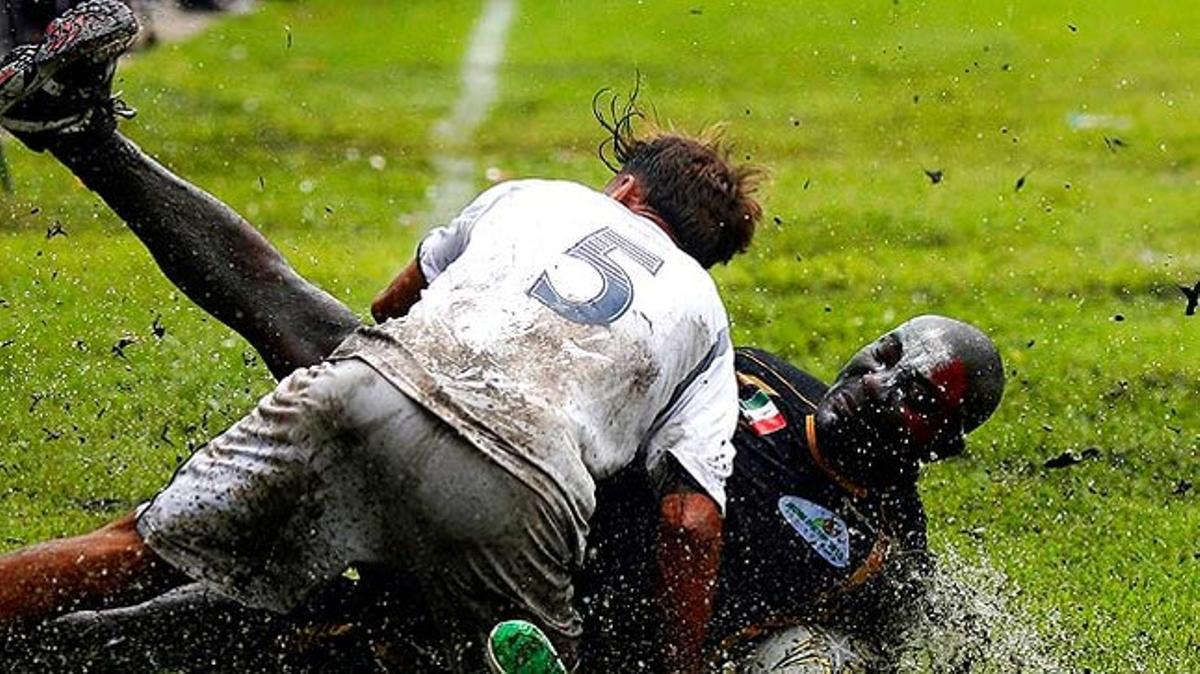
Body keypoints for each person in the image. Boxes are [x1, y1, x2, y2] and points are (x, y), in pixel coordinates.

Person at [0, 2, 764, 670]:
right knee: (515, 653)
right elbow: (691, 518)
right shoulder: (702, 314)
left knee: (138, 552)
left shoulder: (538, 197)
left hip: (368, 392)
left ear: (625, 190)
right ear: (704, 254)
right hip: (522, 490)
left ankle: (74, 129)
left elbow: (392, 300)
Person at [580, 318, 1004, 672]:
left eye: (915, 395)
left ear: (943, 446)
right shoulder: (743, 376)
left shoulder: (890, 545)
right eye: (885, 355)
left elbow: (887, 649)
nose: (876, 383)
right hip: (559, 592)